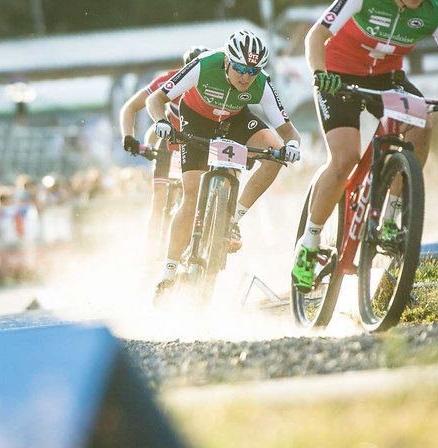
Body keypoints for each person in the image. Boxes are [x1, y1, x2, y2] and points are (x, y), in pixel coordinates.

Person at [298, 0, 438, 290]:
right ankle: (309, 243)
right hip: (339, 76)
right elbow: (315, 36)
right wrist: (321, 75)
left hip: (387, 79)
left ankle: (392, 215)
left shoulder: (435, 11)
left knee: (422, 124)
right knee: (345, 158)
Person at [146, 30, 302, 298]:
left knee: (275, 152)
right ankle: (168, 273)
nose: (245, 76)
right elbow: (155, 99)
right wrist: (161, 121)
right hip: (197, 119)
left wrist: (293, 147)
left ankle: (232, 218)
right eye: (240, 68)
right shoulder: (205, 64)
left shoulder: (260, 82)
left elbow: (288, 131)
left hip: (234, 120)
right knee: (192, 196)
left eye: (253, 70)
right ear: (227, 61)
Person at [119, 45, 208, 261]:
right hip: (170, 147)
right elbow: (130, 107)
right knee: (159, 202)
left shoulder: (216, 87)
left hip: (199, 147)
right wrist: (128, 137)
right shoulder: (170, 80)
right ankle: (151, 257)